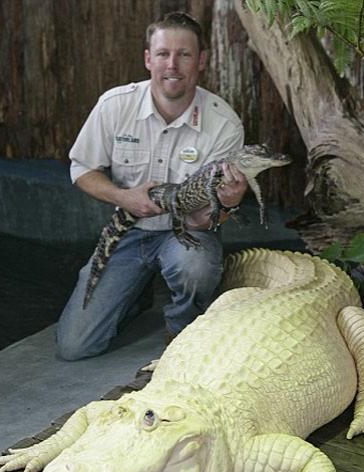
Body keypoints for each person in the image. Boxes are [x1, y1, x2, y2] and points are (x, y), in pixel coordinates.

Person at [56, 12, 248, 361]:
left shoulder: (224, 125)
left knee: (195, 267)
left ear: (201, 60)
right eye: (162, 54)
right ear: (148, 58)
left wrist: (229, 205)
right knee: (74, 347)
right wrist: (123, 196)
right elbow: (83, 168)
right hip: (129, 227)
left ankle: (182, 332)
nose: (172, 65)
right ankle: (134, 292)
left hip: (186, 231)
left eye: (184, 54)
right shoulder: (115, 105)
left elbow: (206, 220)